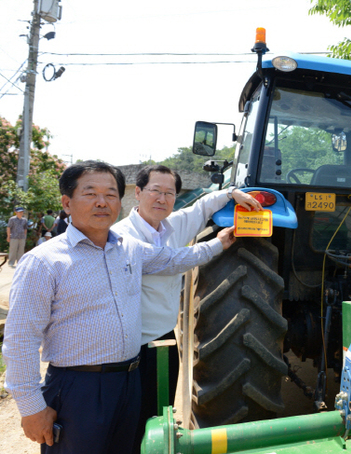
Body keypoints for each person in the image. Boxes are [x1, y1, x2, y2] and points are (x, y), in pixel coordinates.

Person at [2, 161, 236, 454]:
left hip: (129, 381)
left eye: (111, 194)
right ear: (67, 202)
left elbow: (175, 259)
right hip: (79, 388)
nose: (102, 202)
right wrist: (32, 408)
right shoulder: (44, 262)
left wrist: (219, 243)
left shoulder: (129, 248)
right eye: (90, 194)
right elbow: (20, 339)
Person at [111, 165, 262, 451]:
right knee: (130, 418)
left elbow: (203, 206)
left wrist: (232, 192)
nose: (162, 198)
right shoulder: (122, 235)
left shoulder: (173, 225)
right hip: (128, 345)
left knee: (160, 412)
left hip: (164, 337)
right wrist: (216, 246)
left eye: (170, 193)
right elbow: (167, 261)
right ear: (138, 193)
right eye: (155, 191)